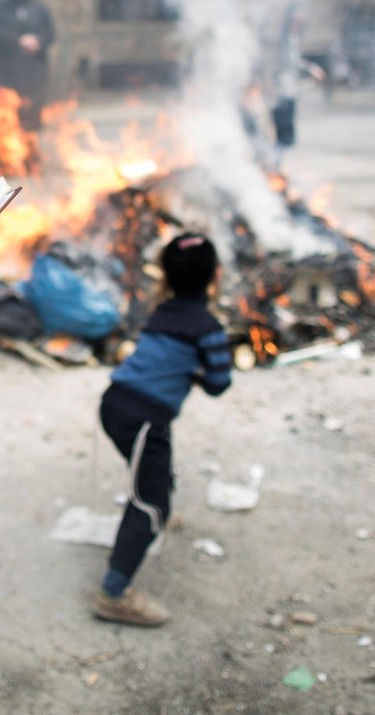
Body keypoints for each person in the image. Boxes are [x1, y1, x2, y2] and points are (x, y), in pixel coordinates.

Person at [93, 232, 232, 628]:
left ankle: (156, 499)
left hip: (117, 404)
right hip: (142, 418)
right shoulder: (208, 328)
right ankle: (113, 594)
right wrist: (200, 370)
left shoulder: (161, 313)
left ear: (167, 277)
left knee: (153, 464)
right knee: (150, 502)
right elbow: (219, 384)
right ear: (215, 276)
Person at [0, 0, 56, 132]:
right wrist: (18, 40)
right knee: (6, 125)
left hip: (34, 77)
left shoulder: (40, 10)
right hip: (6, 76)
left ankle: (31, 157)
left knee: (31, 123)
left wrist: (38, 42)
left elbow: (50, 34)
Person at [269, 4, 325, 171]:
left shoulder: (291, 39)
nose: (299, 24)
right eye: (296, 20)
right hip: (280, 92)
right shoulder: (283, 41)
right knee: (284, 135)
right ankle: (278, 169)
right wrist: (310, 69)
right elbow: (288, 63)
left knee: (287, 135)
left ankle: (280, 169)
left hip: (288, 90)